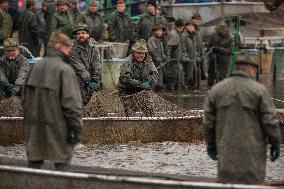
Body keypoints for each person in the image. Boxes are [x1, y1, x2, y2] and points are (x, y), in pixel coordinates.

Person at [203, 51, 281, 184]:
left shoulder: (217, 90)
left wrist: (210, 143)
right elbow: (270, 122)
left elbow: (208, 122)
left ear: (236, 67)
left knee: (226, 183)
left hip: (226, 156)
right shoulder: (259, 91)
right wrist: (275, 143)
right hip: (253, 159)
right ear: (251, 69)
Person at [22, 31, 82, 171]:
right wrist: (76, 129)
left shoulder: (36, 67)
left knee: (32, 172)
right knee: (62, 170)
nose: (69, 51)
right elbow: (72, 105)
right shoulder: (65, 70)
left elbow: (24, 99)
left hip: (34, 129)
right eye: (68, 47)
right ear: (60, 47)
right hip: (59, 130)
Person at [118, 39, 158, 116]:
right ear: (134, 52)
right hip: (127, 92)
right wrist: (140, 84)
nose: (141, 55)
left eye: (143, 53)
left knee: (150, 110)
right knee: (130, 114)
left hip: (142, 91)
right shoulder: (127, 62)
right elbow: (125, 78)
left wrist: (149, 81)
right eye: (139, 53)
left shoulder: (148, 60)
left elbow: (155, 73)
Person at [69, 23, 102, 105]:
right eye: (78, 34)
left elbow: (97, 63)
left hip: (90, 80)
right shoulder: (72, 50)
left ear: (88, 34)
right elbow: (79, 68)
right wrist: (89, 80)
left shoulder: (94, 48)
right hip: (77, 81)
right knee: (79, 104)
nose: (81, 35)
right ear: (75, 36)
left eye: (83, 33)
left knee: (93, 104)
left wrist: (96, 77)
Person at [207, 22, 233, 87]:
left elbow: (230, 50)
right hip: (214, 57)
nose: (222, 31)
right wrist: (211, 53)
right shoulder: (214, 35)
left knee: (223, 75)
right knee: (212, 72)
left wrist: (219, 49)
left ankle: (221, 87)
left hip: (224, 59)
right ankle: (211, 85)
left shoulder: (230, 37)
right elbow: (209, 46)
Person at [165, 18, 185, 90]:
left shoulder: (178, 33)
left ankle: (175, 94)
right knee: (172, 78)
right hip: (173, 61)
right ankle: (171, 94)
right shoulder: (174, 34)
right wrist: (168, 57)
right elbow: (169, 47)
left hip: (177, 60)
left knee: (178, 78)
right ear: (181, 27)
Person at [147, 24, 167, 91]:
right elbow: (153, 51)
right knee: (153, 81)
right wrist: (159, 60)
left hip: (159, 63)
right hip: (153, 63)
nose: (159, 32)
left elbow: (161, 51)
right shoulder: (151, 40)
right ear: (154, 31)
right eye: (157, 30)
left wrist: (164, 57)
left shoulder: (160, 40)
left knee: (159, 81)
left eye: (160, 30)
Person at [181, 19, 198, 88]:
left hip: (192, 57)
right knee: (186, 72)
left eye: (192, 26)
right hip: (187, 58)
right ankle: (185, 85)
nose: (191, 27)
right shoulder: (184, 35)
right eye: (189, 26)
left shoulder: (193, 35)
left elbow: (194, 46)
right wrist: (185, 55)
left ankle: (190, 84)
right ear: (186, 27)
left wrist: (196, 54)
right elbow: (183, 45)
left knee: (192, 72)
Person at [191, 12, 206, 80]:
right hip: (193, 52)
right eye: (195, 20)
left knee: (199, 67)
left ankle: (199, 79)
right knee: (193, 69)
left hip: (199, 52)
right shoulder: (191, 29)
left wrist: (202, 52)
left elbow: (201, 42)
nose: (197, 21)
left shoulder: (199, 30)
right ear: (192, 20)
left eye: (198, 20)